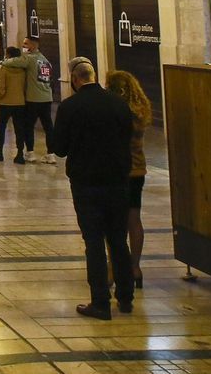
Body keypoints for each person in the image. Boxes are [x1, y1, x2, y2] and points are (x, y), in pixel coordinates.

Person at [50, 58, 135, 320]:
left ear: (76, 80)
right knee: (118, 240)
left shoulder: (69, 107)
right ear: (93, 76)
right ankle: (126, 297)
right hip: (117, 181)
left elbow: (59, 148)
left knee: (94, 241)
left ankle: (100, 302)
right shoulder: (118, 103)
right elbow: (128, 138)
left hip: (86, 182)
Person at [106, 70, 153, 292]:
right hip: (137, 171)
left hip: (117, 171)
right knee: (134, 219)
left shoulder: (116, 112)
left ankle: (113, 268)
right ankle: (135, 267)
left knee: (113, 222)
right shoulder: (140, 111)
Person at [8, 37, 58, 162]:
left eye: (26, 43)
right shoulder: (45, 60)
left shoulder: (29, 58)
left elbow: (13, 62)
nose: (23, 46)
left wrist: (3, 62)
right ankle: (51, 154)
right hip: (46, 98)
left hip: (33, 98)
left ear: (33, 45)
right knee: (48, 127)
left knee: (29, 126)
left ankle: (30, 152)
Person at [0, 47, 30, 163]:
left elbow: (0, 86)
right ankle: (20, 153)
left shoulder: (4, 68)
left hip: (6, 102)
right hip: (20, 102)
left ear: (9, 55)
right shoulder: (23, 70)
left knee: (1, 128)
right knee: (19, 128)